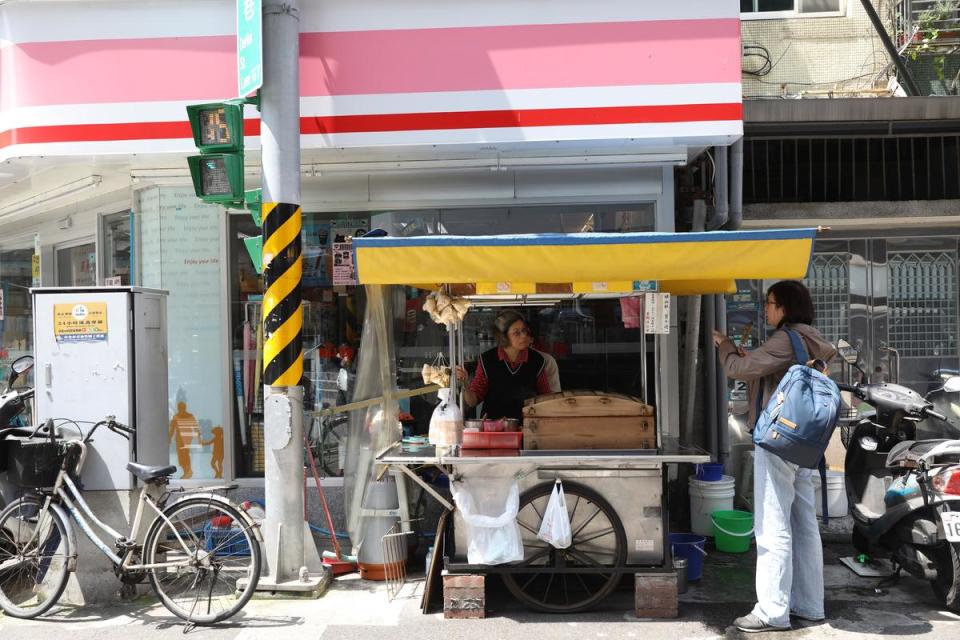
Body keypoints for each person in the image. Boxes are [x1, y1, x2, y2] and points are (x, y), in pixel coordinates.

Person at [712, 280, 837, 633]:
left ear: (785, 308)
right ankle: (810, 606)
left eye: (770, 303)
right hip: (804, 444)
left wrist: (725, 346)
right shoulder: (813, 339)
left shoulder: (785, 339)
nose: (766, 309)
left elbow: (739, 369)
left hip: (778, 440)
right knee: (803, 523)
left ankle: (771, 611)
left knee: (772, 526)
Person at [456, 310, 561, 420]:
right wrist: (465, 383)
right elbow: (472, 401)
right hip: (494, 429)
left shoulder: (537, 360)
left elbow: (546, 398)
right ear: (503, 337)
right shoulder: (487, 360)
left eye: (524, 330)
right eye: (517, 332)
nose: (524, 336)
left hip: (527, 427)